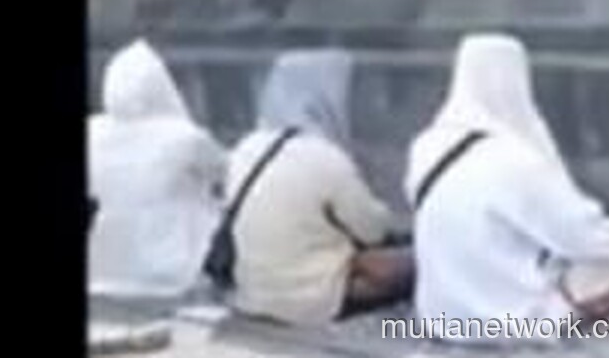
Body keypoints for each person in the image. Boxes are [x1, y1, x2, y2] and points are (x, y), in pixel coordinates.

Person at [405, 34, 609, 342]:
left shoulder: (426, 146)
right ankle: (579, 306)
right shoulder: (512, 156)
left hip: (438, 314)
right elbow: (576, 232)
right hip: (510, 317)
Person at [227, 49, 413, 325]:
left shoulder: (245, 149)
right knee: (407, 265)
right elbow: (372, 230)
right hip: (310, 301)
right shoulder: (324, 156)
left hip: (250, 295)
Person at [88, 39, 227, 298]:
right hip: (169, 273)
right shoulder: (183, 136)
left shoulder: (92, 131)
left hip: (101, 270)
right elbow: (226, 174)